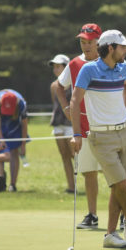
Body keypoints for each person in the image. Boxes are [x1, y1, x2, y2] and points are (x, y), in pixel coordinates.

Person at [70, 29, 126, 248]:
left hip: (125, 131)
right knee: (120, 182)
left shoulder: (122, 67)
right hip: (101, 135)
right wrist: (76, 134)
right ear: (110, 48)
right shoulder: (88, 70)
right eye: (123, 47)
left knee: (117, 186)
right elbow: (74, 101)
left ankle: (110, 234)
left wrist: (125, 109)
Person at [52, 23, 102, 229]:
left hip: (106, 124)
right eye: (82, 42)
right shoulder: (73, 64)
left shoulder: (109, 61)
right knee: (89, 172)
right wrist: (65, 107)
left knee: (114, 174)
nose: (86, 45)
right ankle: (92, 215)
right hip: (83, 125)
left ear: (99, 41)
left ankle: (120, 216)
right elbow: (58, 86)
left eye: (90, 42)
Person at [0, 89, 28, 192]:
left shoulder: (21, 104)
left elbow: (24, 126)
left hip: (15, 124)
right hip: (1, 124)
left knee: (14, 152)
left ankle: (12, 184)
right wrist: (1, 140)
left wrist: (23, 144)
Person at [48, 54, 75, 193]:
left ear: (66, 67)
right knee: (64, 156)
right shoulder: (54, 86)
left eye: (58, 66)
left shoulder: (75, 83)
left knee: (73, 154)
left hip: (71, 124)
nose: (55, 69)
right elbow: (56, 104)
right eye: (54, 67)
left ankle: (89, 177)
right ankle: (71, 187)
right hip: (58, 123)